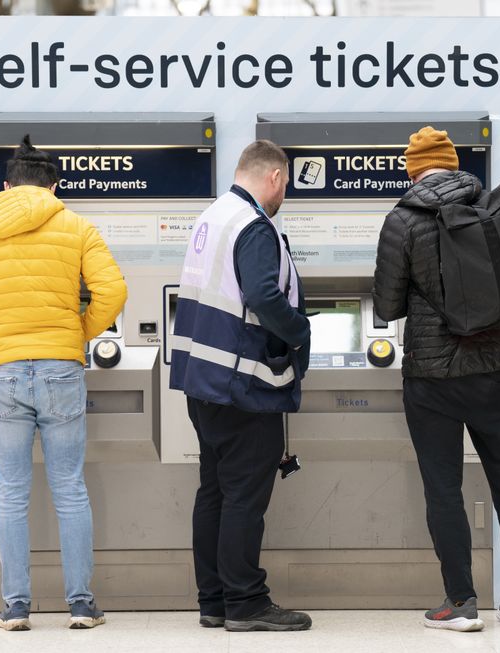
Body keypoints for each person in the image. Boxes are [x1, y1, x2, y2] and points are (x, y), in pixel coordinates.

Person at [0, 136, 126, 631]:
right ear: (54, 185)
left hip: (2, 369)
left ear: (5, 186)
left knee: (10, 491)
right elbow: (113, 291)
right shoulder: (75, 224)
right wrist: (76, 334)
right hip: (60, 367)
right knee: (69, 487)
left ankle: (15, 606)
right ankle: (82, 604)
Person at [372, 127, 500, 632]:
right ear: (453, 163)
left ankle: (461, 604)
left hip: (434, 376)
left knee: (444, 487)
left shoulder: (402, 220)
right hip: (496, 370)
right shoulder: (493, 208)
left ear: (413, 169)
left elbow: (385, 305)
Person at [170, 140, 312, 632]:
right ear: (274, 176)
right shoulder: (254, 226)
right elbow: (262, 294)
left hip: (202, 379)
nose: (285, 193)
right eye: (287, 182)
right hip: (241, 383)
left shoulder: (213, 217)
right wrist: (300, 329)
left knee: (214, 491)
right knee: (244, 498)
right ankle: (247, 602)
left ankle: (214, 599)